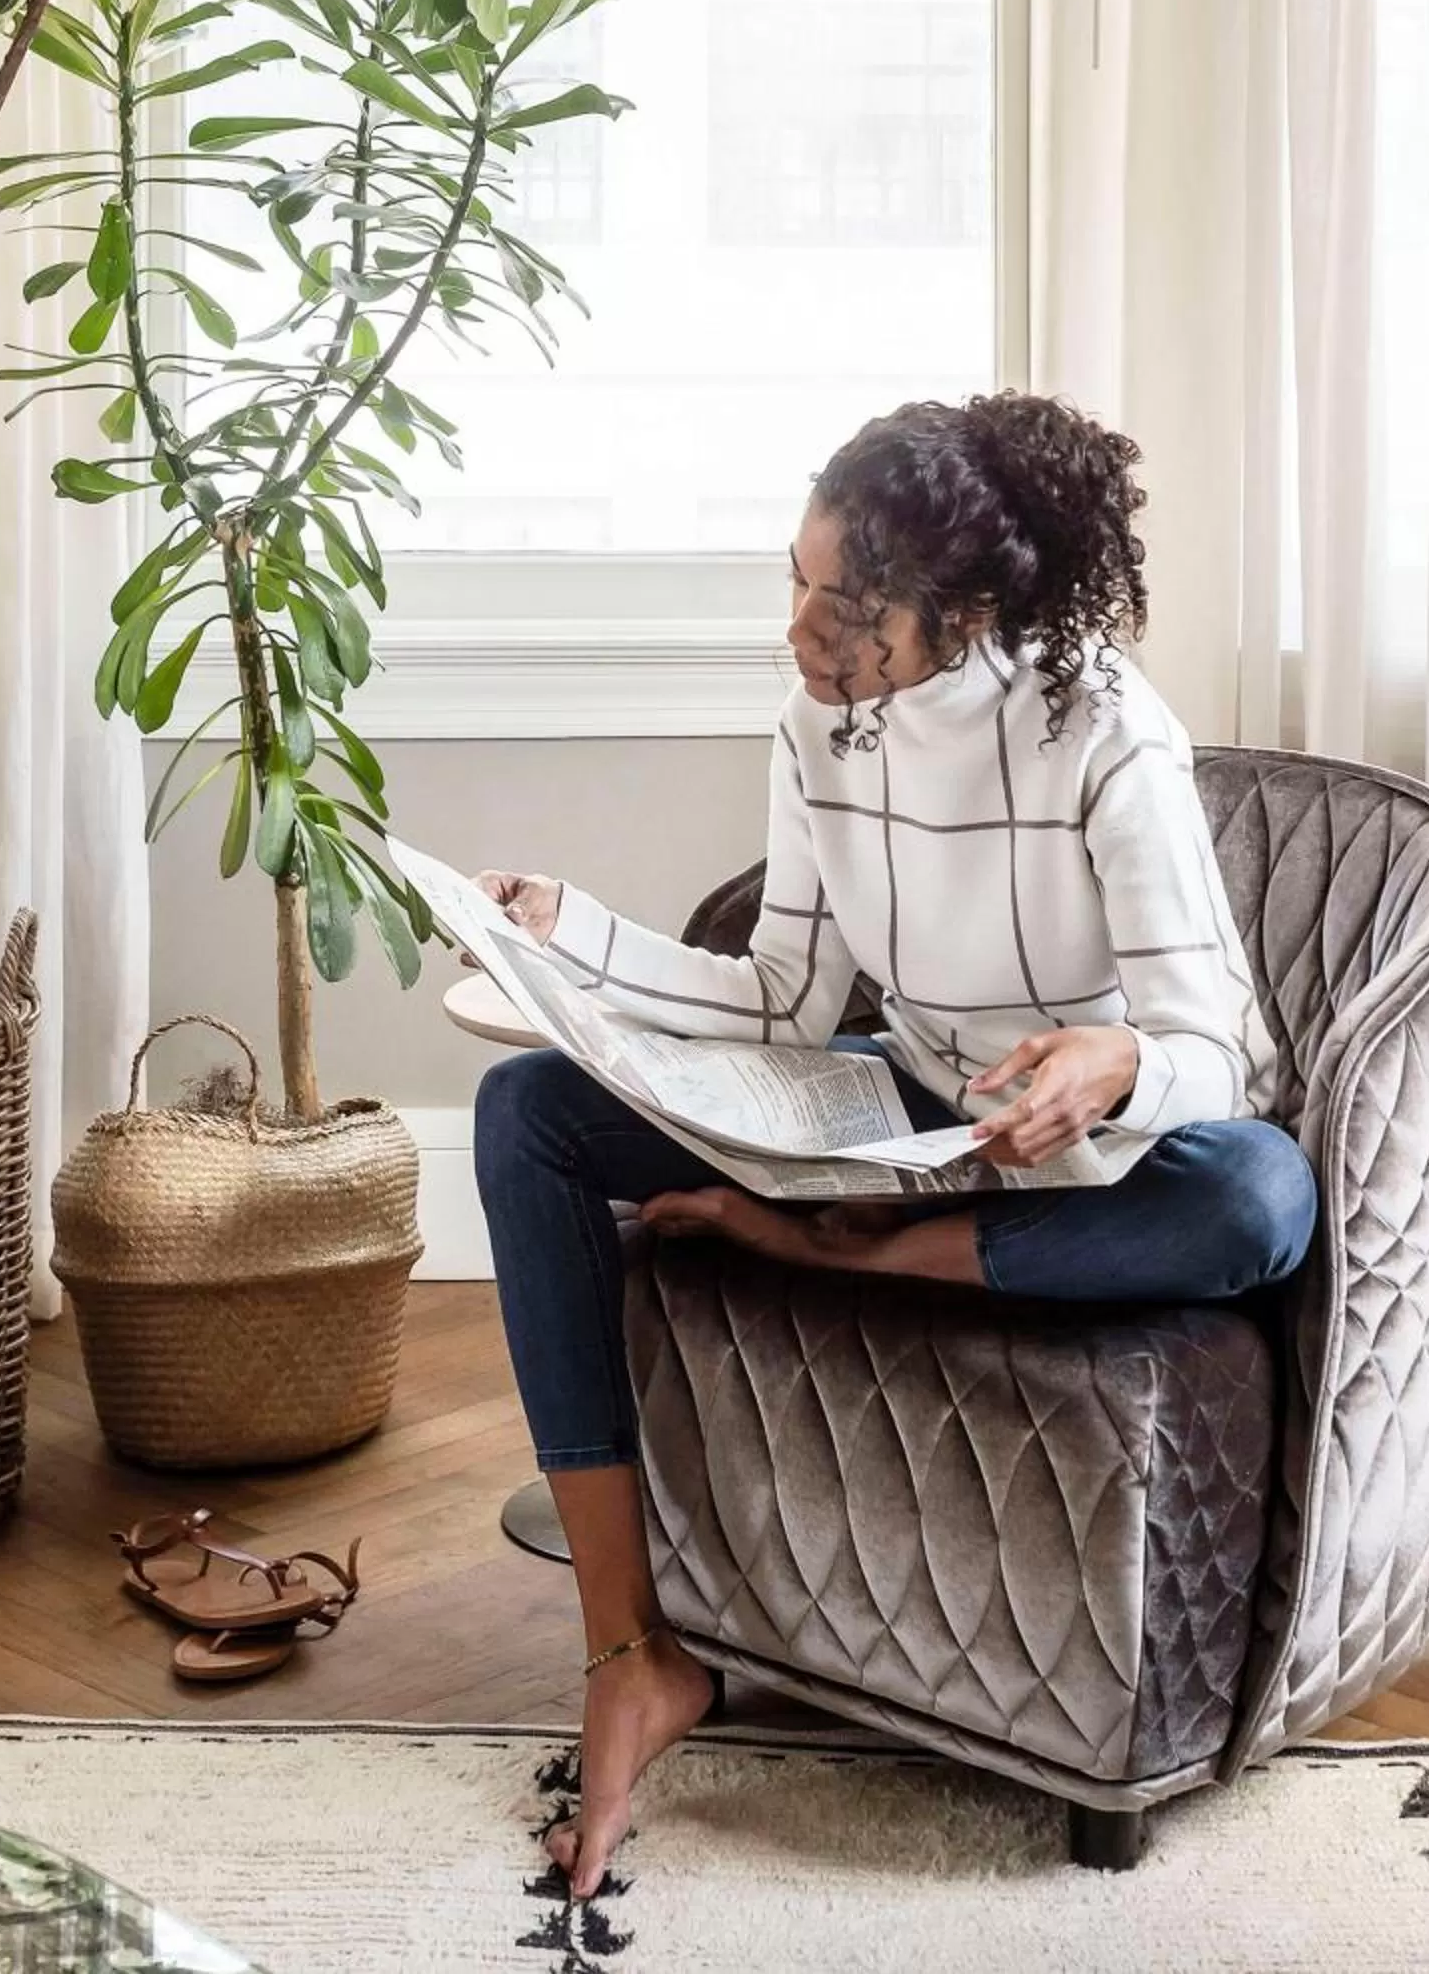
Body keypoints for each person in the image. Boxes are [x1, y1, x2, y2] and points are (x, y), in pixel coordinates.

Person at [469, 391, 1316, 1899]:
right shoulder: (816, 727)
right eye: (793, 583)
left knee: (1262, 1196)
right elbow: (789, 997)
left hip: (1091, 1147)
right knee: (525, 1111)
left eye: (844, 607)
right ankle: (631, 1652)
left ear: (965, 611)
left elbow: (1223, 1053)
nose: (801, 631)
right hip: (905, 1114)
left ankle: (817, 1242)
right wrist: (570, 935)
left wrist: (1112, 1063)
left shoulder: (1108, 735)